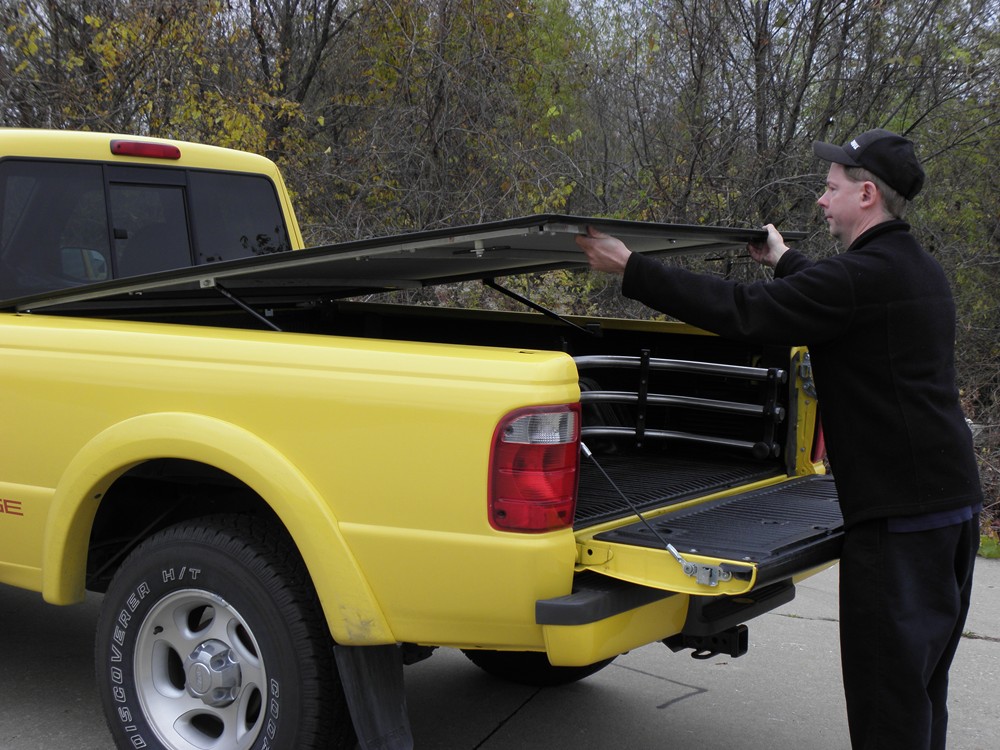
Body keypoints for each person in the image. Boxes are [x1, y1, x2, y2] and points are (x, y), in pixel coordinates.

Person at [575, 128, 982, 750]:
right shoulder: (913, 268)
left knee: (887, 706)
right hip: (948, 511)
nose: (822, 199)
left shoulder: (859, 280)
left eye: (831, 187)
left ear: (866, 194)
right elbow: (829, 297)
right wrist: (785, 258)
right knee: (920, 692)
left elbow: (747, 312)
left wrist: (633, 268)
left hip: (901, 526)